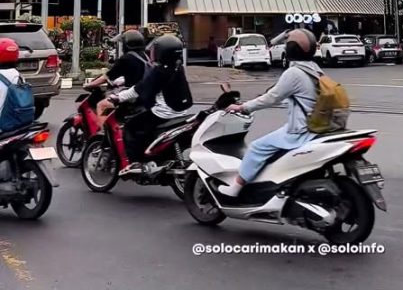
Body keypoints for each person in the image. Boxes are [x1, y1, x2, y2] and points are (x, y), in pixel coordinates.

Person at [218, 29, 321, 198]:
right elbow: (285, 92)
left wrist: (242, 107)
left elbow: (271, 99)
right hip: (317, 125)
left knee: (258, 147)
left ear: (290, 50)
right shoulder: (314, 69)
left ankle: (236, 187)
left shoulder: (294, 73)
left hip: (300, 130)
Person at [97, 33, 193, 174]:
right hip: (180, 112)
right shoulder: (177, 67)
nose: (152, 52)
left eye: (156, 49)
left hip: (162, 112)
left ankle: (135, 162)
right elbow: (147, 82)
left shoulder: (160, 70)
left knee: (131, 127)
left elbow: (139, 89)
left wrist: (118, 97)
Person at [85, 29, 150, 93]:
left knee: (103, 103)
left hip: (133, 94)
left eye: (123, 44)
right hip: (144, 92)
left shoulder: (126, 58)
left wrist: (89, 85)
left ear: (127, 44)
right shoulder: (145, 56)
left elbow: (108, 76)